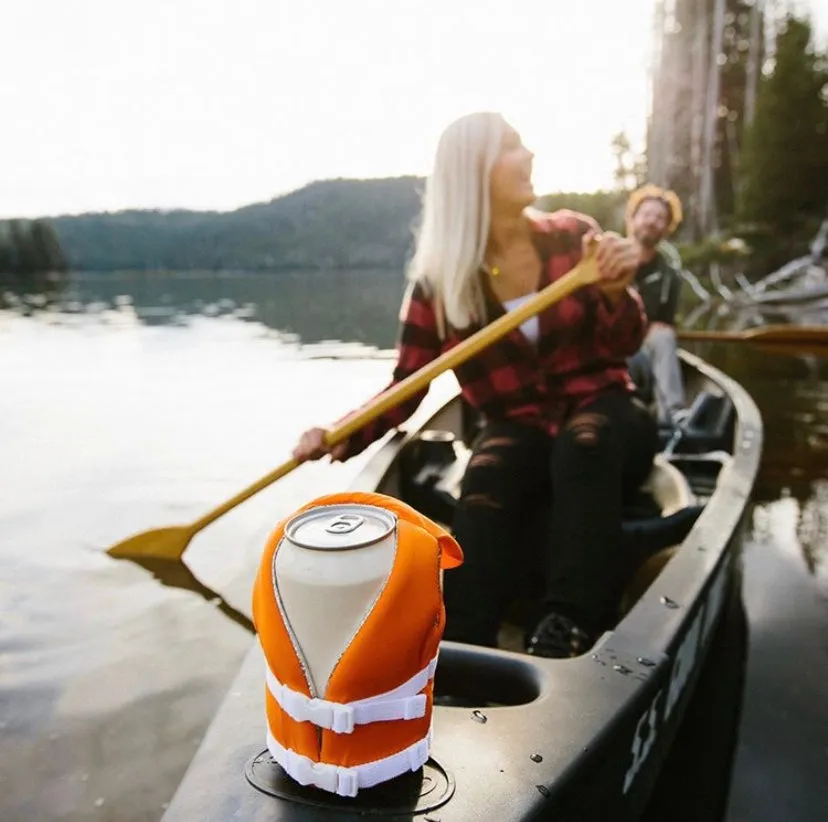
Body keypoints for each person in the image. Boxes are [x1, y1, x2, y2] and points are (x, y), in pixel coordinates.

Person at [292, 112, 659, 659]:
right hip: (519, 425)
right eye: (512, 147)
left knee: (585, 445)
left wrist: (615, 292)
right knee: (486, 477)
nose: (530, 155)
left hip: (601, 409)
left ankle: (568, 621)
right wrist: (340, 434)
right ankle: (462, 639)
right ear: (472, 173)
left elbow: (628, 340)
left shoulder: (574, 239)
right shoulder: (441, 284)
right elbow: (408, 386)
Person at [624, 185, 688, 427]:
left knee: (663, 337)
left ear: (667, 228)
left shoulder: (670, 276)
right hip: (609, 348)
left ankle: (673, 418)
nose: (652, 222)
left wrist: (656, 329)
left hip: (644, 352)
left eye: (660, 218)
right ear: (633, 219)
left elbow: (665, 322)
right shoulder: (608, 260)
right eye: (647, 214)